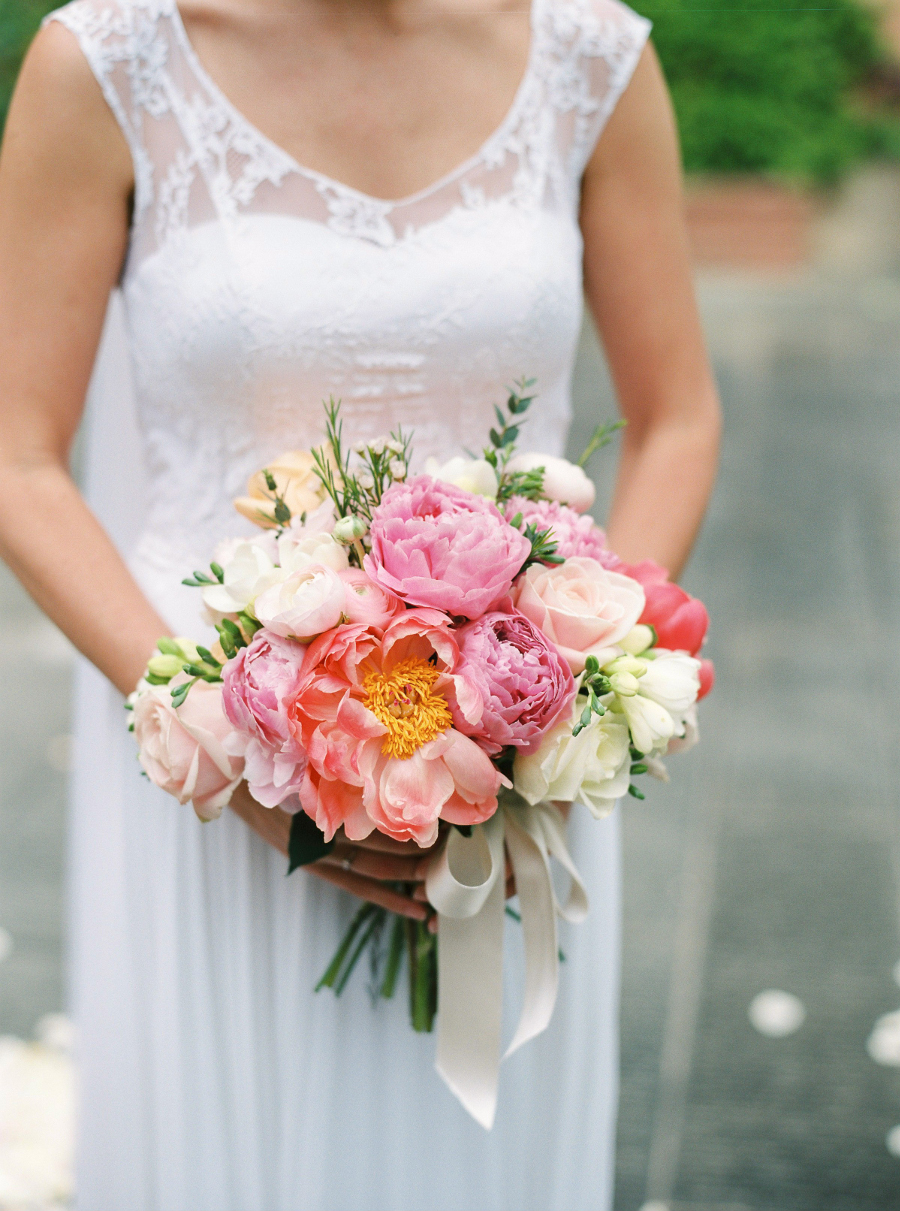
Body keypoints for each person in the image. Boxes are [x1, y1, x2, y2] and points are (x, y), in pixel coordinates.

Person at [0, 0, 720, 1207]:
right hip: (218, 761)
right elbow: (19, 453)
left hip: (509, 779)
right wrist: (228, 749)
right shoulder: (111, 60)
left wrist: (573, 693)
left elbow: (678, 415)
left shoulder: (591, 55)